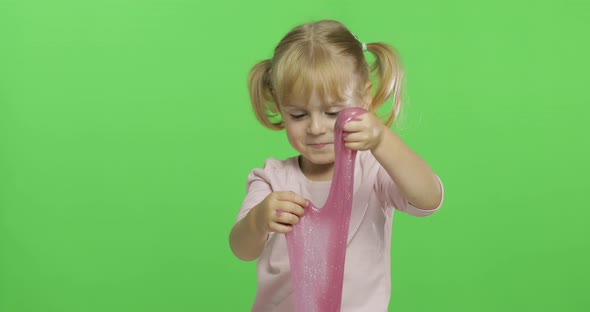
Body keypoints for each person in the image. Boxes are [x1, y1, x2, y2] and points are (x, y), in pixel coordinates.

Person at [229, 19, 444, 312]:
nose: (316, 128)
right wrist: (257, 220)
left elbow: (429, 198)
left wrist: (382, 140)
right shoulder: (272, 179)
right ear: (280, 108)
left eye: (332, 112)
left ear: (364, 99)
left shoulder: (373, 171)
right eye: (298, 115)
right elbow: (241, 249)